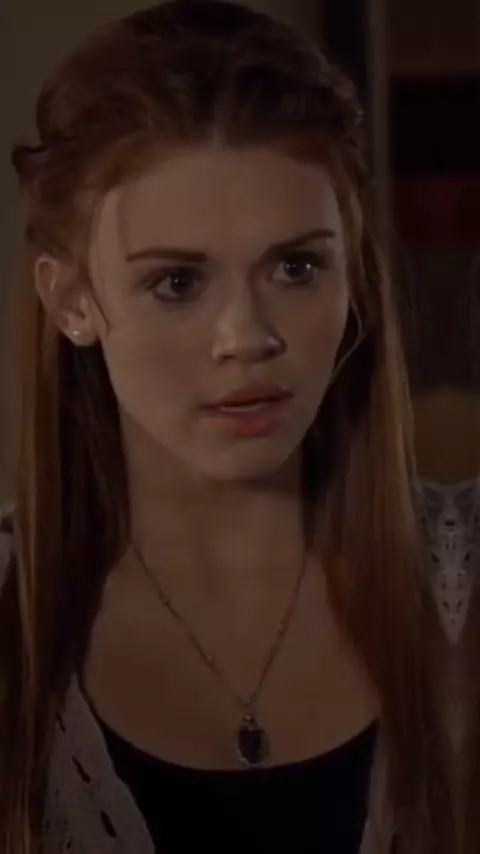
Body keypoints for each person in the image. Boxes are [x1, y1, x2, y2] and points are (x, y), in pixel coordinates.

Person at [0, 1, 456, 852]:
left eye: (297, 266)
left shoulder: (458, 585)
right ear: (72, 302)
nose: (247, 337)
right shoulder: (15, 617)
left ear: (352, 274)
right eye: (177, 283)